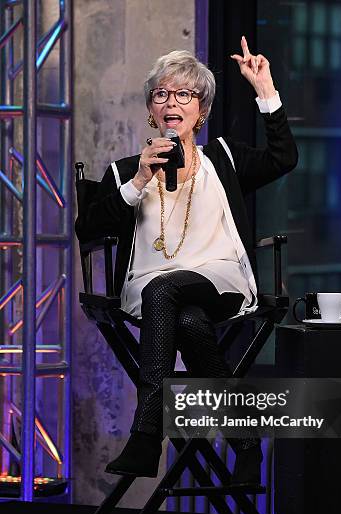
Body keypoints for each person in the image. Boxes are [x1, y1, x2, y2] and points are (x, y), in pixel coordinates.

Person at [76, 37, 298, 484]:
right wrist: (140, 178)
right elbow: (89, 229)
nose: (171, 101)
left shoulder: (224, 158)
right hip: (149, 287)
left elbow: (283, 158)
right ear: (151, 112)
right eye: (161, 94)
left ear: (201, 110)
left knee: (171, 292)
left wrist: (265, 90)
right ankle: (246, 440)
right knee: (188, 322)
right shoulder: (126, 170)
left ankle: (146, 435)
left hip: (219, 279)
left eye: (183, 94)